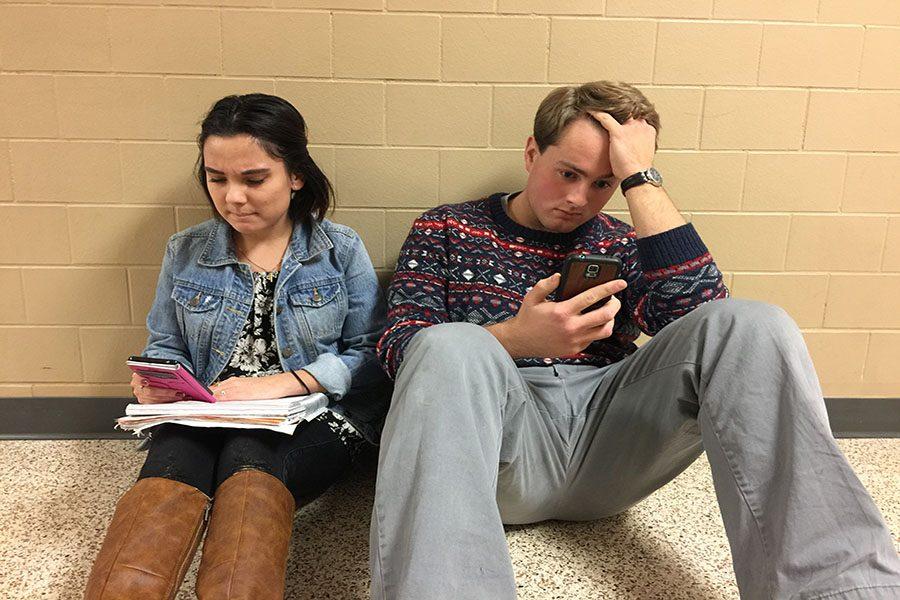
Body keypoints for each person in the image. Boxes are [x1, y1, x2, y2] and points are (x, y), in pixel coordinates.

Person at [370, 81, 900, 599]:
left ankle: (841, 589)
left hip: (610, 442)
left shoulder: (622, 242)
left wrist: (640, 179)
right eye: (567, 173)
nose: (579, 199)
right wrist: (513, 338)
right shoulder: (446, 228)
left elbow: (705, 320)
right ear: (532, 153)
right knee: (446, 346)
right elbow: (399, 350)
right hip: (500, 447)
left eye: (601, 183)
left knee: (752, 323)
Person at [84, 93, 389, 600]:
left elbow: (373, 353)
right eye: (216, 178)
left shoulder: (340, 248)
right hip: (211, 410)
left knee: (248, 457)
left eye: (253, 179)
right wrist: (157, 380)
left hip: (314, 416)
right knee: (177, 458)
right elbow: (166, 344)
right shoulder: (187, 250)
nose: (233, 198)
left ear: (295, 176)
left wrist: (283, 383)